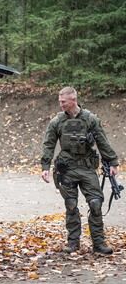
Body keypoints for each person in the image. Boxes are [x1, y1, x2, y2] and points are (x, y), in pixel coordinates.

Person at [41, 87, 119, 254]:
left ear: (73, 100)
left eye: (63, 101)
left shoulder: (90, 119)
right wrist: (45, 167)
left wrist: (112, 162)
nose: (60, 104)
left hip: (87, 167)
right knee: (71, 205)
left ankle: (99, 243)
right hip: (67, 168)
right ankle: (73, 242)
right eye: (59, 101)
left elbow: (102, 141)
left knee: (96, 203)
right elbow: (48, 144)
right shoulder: (57, 121)